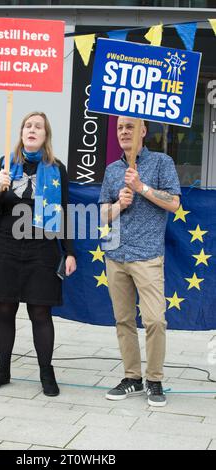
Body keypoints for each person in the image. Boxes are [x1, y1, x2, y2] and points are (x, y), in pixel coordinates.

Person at [0, 111, 76, 396]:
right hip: (7, 245)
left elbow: (66, 212)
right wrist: (0, 187)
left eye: (38, 127)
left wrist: (69, 252)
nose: (32, 130)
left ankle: (46, 372)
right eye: (28, 126)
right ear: (21, 132)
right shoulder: (5, 164)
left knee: (40, 311)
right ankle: (2, 369)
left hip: (42, 248)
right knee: (5, 309)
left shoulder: (56, 169)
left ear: (45, 136)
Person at [99, 116, 181, 407]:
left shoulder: (161, 163)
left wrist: (142, 187)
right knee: (123, 321)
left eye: (130, 127)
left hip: (147, 255)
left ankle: (154, 380)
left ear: (143, 131)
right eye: (120, 128)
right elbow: (102, 215)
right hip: (116, 255)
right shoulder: (112, 170)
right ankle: (132, 378)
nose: (124, 131)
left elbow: (174, 203)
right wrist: (118, 205)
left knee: (155, 320)